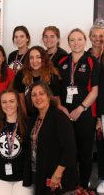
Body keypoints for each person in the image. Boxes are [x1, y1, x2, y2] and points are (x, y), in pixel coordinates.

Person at [58, 28, 99, 192]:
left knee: (84, 151)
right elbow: (57, 90)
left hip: (85, 114)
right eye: (72, 40)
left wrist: (80, 109)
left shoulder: (92, 61)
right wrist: (61, 107)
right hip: (65, 114)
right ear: (68, 43)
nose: (76, 43)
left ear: (85, 41)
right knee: (68, 150)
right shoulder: (62, 62)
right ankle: (70, 183)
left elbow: (95, 91)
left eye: (79, 39)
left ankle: (83, 184)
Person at [25, 81, 77, 195]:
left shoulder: (59, 117)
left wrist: (57, 175)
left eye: (41, 93)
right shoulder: (34, 119)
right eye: (34, 95)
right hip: (40, 174)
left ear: (48, 96)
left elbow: (70, 149)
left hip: (58, 179)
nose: (38, 97)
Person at [0, 89, 32, 195]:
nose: (8, 105)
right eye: (4, 102)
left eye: (11, 101)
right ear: (0, 105)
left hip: (23, 177)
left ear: (18, 103)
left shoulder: (28, 123)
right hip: (0, 176)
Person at [13, 46, 60, 116]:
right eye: (31, 58)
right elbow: (21, 100)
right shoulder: (21, 74)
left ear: (44, 59)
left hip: (48, 114)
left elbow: (55, 100)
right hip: (28, 114)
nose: (34, 61)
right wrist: (25, 118)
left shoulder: (52, 75)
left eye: (38, 57)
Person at [90, 19, 104, 194]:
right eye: (94, 35)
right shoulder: (86, 55)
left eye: (101, 36)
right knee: (87, 146)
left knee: (101, 145)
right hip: (88, 108)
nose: (98, 39)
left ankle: (102, 178)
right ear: (90, 37)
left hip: (103, 109)